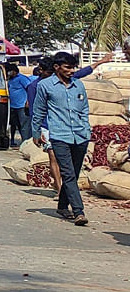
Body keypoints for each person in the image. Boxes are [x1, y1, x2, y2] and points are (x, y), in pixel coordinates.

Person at [32, 52, 92, 226]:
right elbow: (39, 110)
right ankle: (79, 211)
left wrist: (86, 129)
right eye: (67, 67)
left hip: (80, 136)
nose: (72, 71)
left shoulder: (78, 85)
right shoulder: (45, 86)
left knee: (74, 171)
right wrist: (36, 133)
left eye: (73, 67)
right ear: (57, 67)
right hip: (59, 135)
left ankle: (62, 205)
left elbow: (84, 109)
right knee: (68, 173)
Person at [6, 62, 38, 146]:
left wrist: (28, 101)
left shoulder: (22, 78)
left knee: (24, 126)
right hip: (13, 106)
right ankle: (12, 141)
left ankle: (26, 144)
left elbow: (29, 89)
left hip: (22, 106)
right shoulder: (10, 80)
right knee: (14, 125)